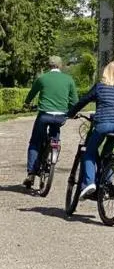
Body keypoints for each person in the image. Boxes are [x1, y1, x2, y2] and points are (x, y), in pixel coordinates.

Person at [68, 61, 114, 198]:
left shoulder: (99, 87)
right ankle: (107, 185)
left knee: (89, 152)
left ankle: (89, 183)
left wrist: (71, 113)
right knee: (107, 154)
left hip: (102, 124)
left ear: (106, 72)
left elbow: (83, 101)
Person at [23, 56, 78, 188]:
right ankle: (53, 149)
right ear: (60, 66)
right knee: (55, 135)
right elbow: (74, 101)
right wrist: (73, 112)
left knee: (35, 142)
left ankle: (31, 173)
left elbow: (32, 93)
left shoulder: (42, 78)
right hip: (60, 117)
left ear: (49, 66)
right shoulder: (68, 80)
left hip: (44, 115)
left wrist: (26, 104)